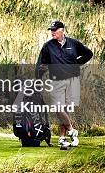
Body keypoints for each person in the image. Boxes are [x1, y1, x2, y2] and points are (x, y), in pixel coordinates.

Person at [36, 20, 93, 148]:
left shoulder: (73, 44)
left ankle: (62, 138)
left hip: (72, 80)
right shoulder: (48, 46)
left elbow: (88, 54)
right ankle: (72, 131)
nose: (52, 32)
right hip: (56, 81)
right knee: (57, 108)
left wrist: (77, 64)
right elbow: (41, 64)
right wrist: (39, 77)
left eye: (55, 30)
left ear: (62, 30)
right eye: (51, 30)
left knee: (66, 109)